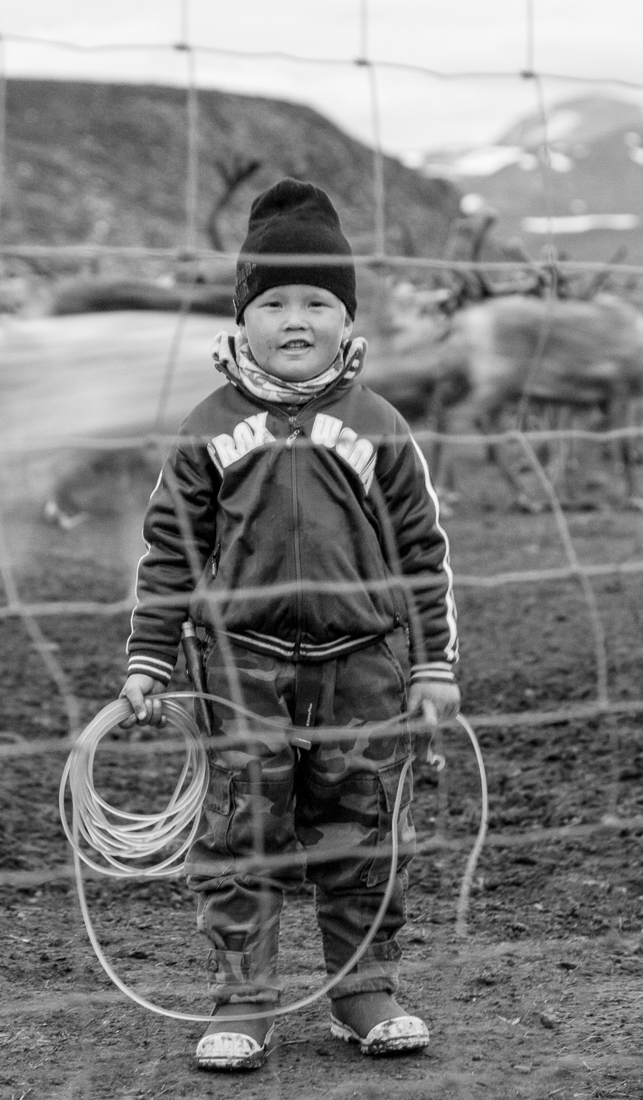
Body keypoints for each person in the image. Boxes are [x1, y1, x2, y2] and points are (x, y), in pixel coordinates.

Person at [120, 178, 460, 1071]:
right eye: (273, 302)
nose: (296, 319)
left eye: (318, 301)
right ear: (242, 319)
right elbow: (169, 554)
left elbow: (421, 556)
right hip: (239, 667)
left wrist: (431, 666)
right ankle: (242, 1000)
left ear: (348, 320)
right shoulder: (208, 430)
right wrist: (150, 659)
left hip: (363, 665)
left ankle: (362, 989)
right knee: (242, 833)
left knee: (360, 827)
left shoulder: (380, 427)